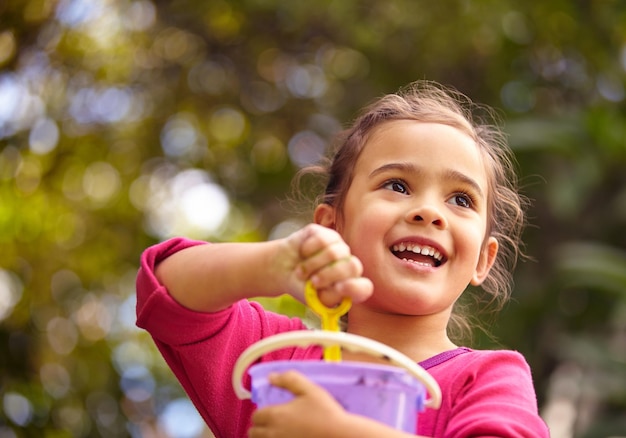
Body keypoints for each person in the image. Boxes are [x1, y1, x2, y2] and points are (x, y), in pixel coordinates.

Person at [136, 81, 550, 437]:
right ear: (332, 227)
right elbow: (165, 287)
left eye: (460, 199)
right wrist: (270, 265)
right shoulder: (278, 361)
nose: (429, 212)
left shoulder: (488, 381)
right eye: (397, 185)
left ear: (484, 259)